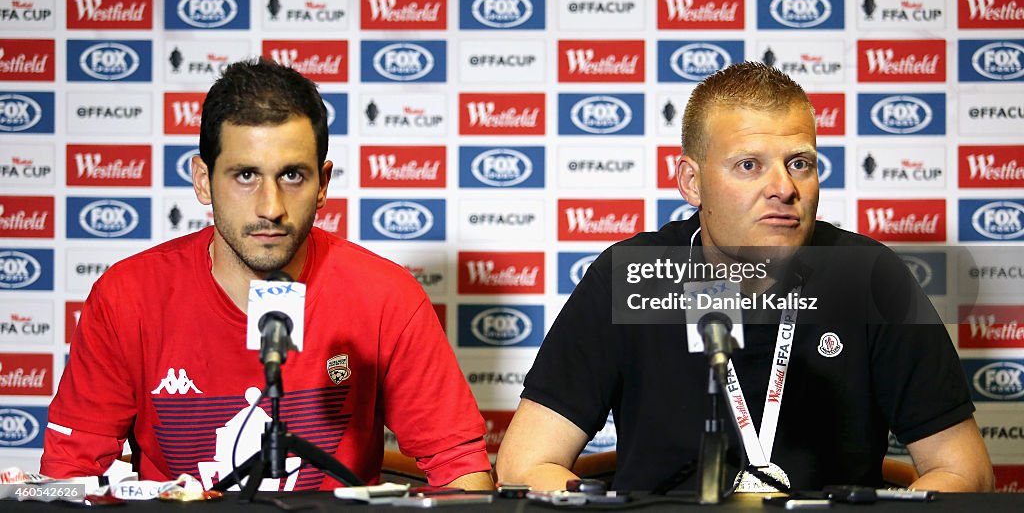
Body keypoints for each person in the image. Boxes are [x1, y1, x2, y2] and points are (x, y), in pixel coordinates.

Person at [496, 63, 993, 493]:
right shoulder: (631, 277)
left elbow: (964, 471)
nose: (783, 188)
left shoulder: (871, 279)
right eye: (749, 165)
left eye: (799, 163)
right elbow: (525, 466)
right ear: (692, 182)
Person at [43, 60, 493, 491]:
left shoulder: (386, 297)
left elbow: (458, 466)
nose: (270, 207)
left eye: (293, 175)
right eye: (245, 175)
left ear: (323, 184)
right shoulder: (128, 297)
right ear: (202, 180)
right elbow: (71, 471)